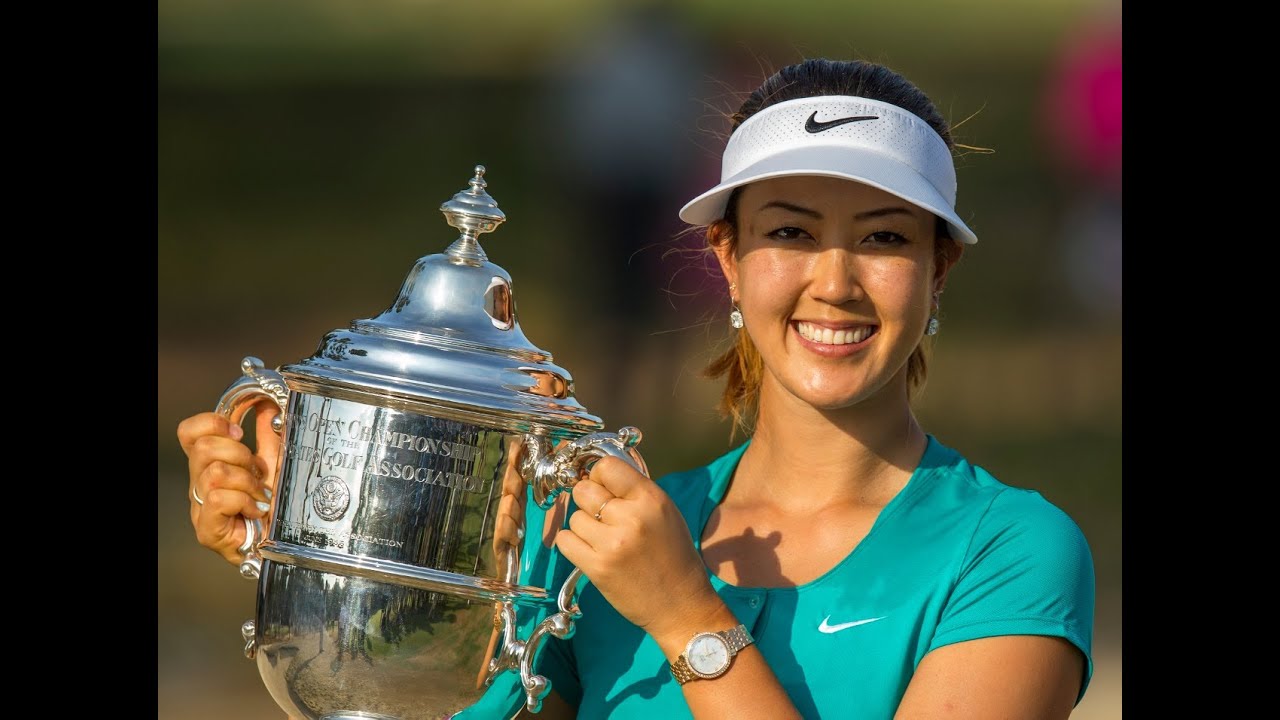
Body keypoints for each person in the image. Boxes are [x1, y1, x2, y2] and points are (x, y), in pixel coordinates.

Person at [178, 57, 1095, 719]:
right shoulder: (597, 542)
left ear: (941, 273)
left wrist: (688, 616)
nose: (836, 281)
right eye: (790, 232)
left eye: (887, 239)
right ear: (727, 262)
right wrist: (324, 565)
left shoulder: (1009, 551)